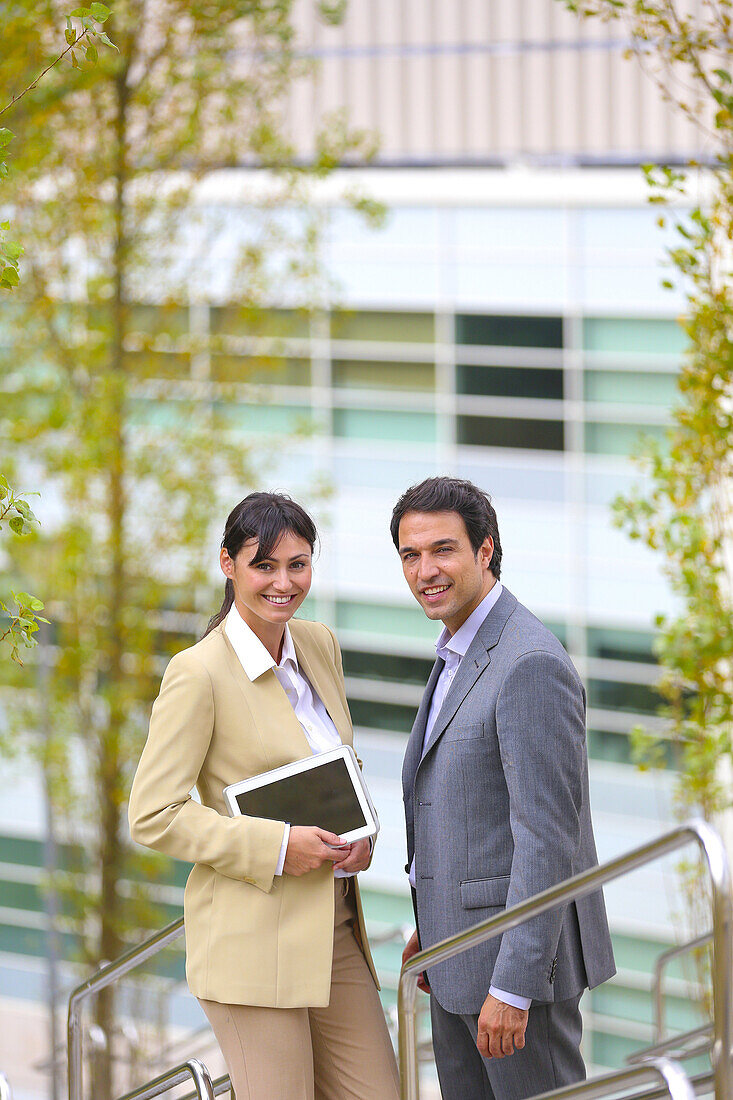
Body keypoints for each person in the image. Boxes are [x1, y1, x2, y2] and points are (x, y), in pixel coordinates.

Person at [129, 491, 399, 1100]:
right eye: (265, 565)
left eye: (298, 565)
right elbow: (153, 815)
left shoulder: (318, 644)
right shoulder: (198, 673)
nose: (283, 582)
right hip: (254, 939)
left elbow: (334, 768)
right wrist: (278, 846)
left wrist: (362, 834)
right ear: (228, 565)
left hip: (335, 928)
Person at [391, 476, 615, 1100]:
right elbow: (464, 809)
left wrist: (513, 986)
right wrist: (433, 922)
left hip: (514, 977)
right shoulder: (458, 651)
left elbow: (547, 839)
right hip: (455, 958)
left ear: (485, 549)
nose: (425, 571)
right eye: (410, 555)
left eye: (443, 550)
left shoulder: (528, 662)